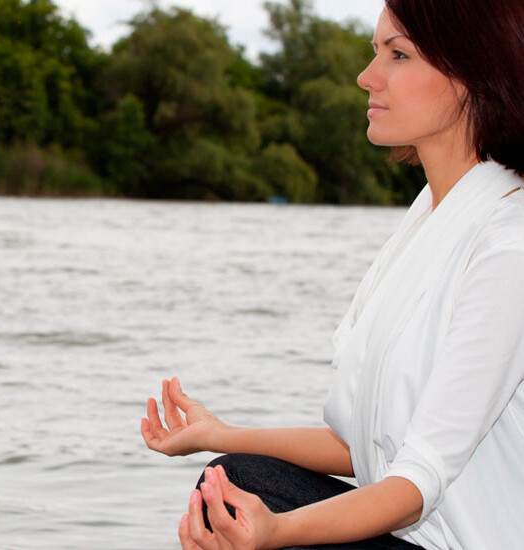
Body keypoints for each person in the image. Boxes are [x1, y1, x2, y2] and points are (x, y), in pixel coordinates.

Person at [141, 1, 524, 548]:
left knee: (244, 497)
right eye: (375, 53)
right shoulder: (429, 219)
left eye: (398, 55)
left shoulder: (509, 243)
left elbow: (418, 480)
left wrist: (278, 532)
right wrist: (219, 433)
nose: (367, 77)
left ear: (471, 74)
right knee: (231, 484)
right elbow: (363, 446)